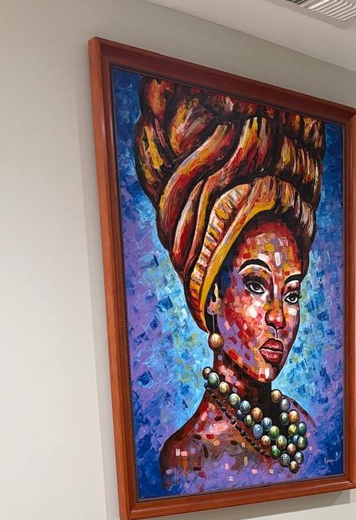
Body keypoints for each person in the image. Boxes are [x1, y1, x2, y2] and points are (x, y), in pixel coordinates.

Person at [134, 79, 324, 493]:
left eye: (291, 293)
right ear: (214, 294)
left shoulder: (304, 426)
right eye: (256, 285)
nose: (279, 317)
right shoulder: (188, 459)